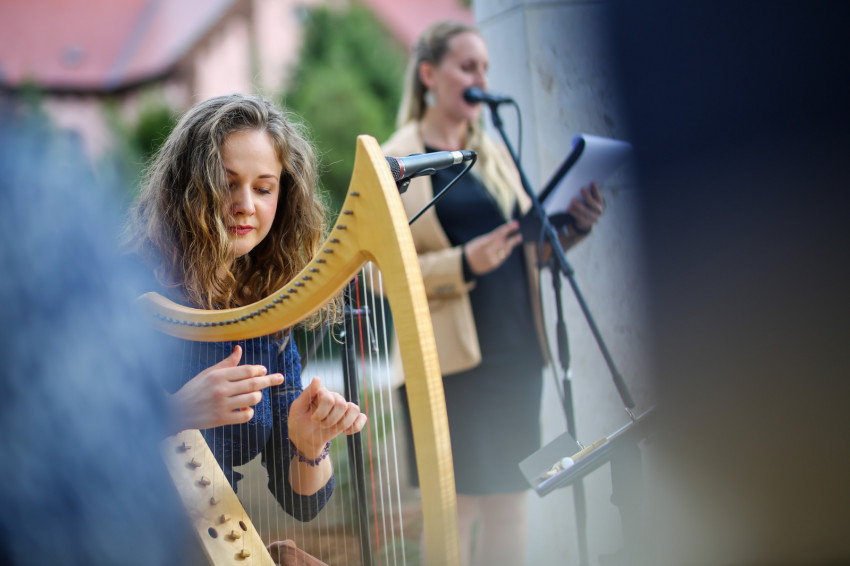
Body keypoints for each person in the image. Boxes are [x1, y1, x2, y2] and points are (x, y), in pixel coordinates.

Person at [382, 21, 605, 566]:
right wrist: (463, 262)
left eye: (485, 68)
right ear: (429, 74)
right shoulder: (397, 160)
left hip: (517, 351)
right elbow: (389, 272)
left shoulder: (494, 153)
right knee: (455, 510)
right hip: (450, 364)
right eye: (467, 67)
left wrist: (573, 226)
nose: (481, 79)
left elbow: (527, 247)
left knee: (511, 502)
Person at [123, 93, 368, 524]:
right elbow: (58, 434)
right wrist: (174, 413)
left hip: (210, 533)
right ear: (187, 185)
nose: (246, 205)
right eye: (227, 182)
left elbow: (302, 502)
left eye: (263, 188)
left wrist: (309, 444)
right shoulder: (123, 284)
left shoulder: (265, 307)